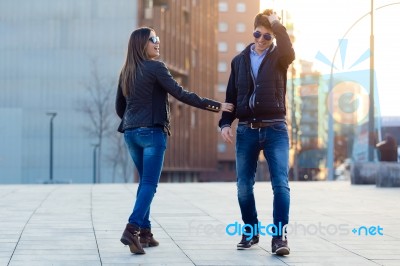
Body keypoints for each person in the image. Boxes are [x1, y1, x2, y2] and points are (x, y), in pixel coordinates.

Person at [115, 27, 234, 255]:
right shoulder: (156, 68)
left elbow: (120, 107)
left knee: (144, 184)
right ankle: (132, 229)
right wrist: (216, 105)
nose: (158, 42)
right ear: (142, 44)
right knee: (149, 184)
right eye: (153, 39)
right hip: (152, 134)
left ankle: (145, 233)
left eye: (157, 38)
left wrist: (134, 122)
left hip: (131, 134)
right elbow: (181, 94)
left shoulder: (126, 72)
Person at [219, 9, 295, 256]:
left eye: (267, 36)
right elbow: (231, 97)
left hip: (275, 128)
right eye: (258, 34)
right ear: (252, 32)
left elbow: (289, 50)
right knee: (243, 186)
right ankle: (251, 231)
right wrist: (225, 123)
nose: (262, 40)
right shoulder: (239, 60)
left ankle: (279, 238)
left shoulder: (279, 57)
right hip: (247, 130)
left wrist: (277, 24)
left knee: (281, 185)